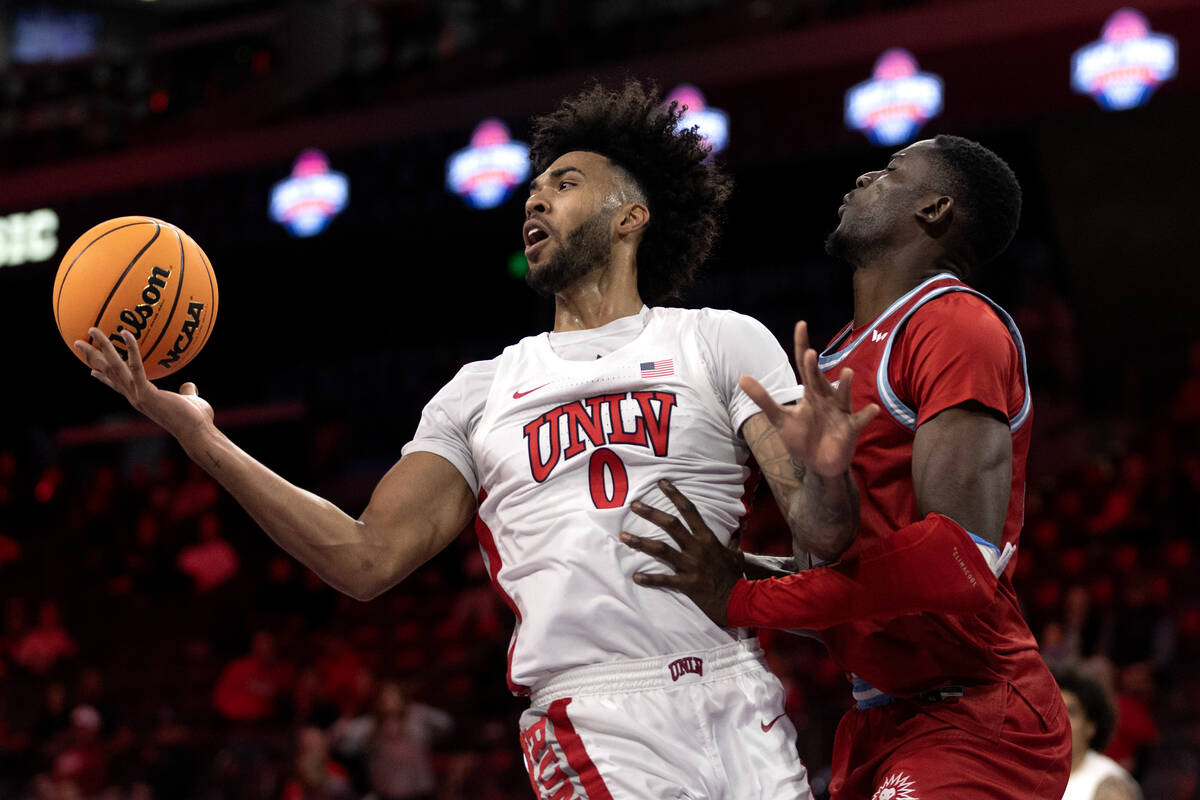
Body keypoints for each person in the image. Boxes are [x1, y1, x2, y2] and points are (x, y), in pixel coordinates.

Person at [76, 80, 875, 799]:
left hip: (741, 695)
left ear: (631, 216)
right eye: (531, 191)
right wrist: (205, 443)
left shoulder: (722, 341)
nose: (534, 202)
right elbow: (364, 560)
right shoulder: (481, 389)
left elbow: (824, 544)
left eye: (564, 184)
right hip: (593, 714)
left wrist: (830, 476)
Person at [622, 135, 1071, 798]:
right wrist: (729, 572)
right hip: (879, 718)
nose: (864, 175)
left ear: (936, 209)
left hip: (975, 712)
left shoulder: (955, 325)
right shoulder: (834, 356)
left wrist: (748, 596)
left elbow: (960, 559)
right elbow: (845, 583)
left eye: (892, 171)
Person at [1055, 664, 1142, 800]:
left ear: (1091, 726)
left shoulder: (1110, 783)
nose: (1060, 720)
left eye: (1071, 712)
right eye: (1055, 711)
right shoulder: (1029, 773)